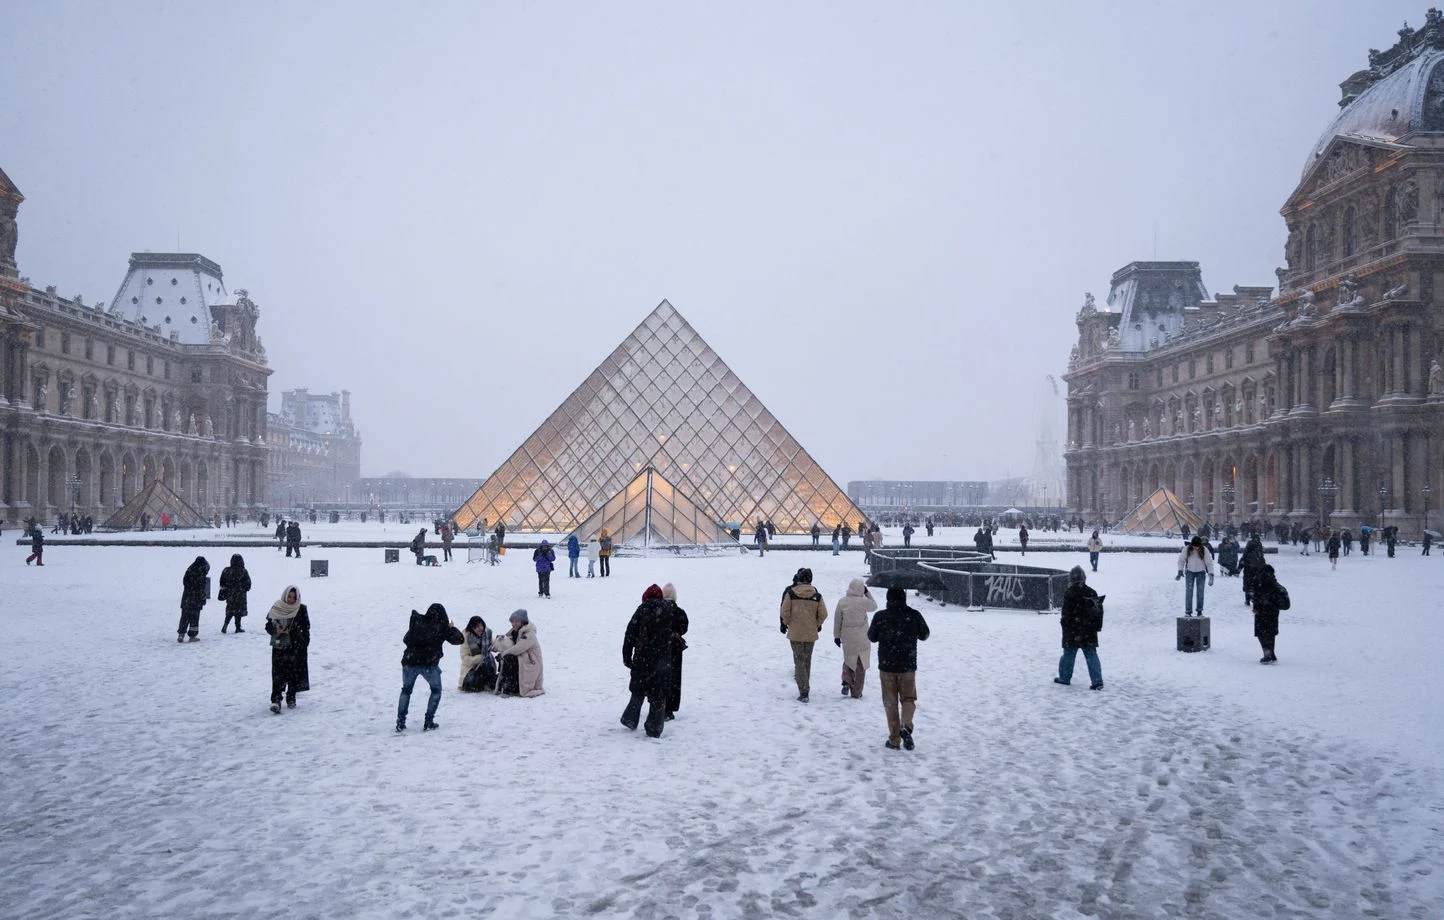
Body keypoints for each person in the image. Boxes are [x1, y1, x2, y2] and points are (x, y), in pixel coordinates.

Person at [868, 586, 930, 750]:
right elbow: (925, 634)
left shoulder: (881, 616)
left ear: (888, 599)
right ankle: (906, 725)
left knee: (890, 703)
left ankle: (894, 740)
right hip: (908, 666)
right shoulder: (913, 615)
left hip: (887, 666)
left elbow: (871, 637)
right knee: (908, 699)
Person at [396, 602, 464, 731]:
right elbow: (459, 639)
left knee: (406, 691)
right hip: (429, 664)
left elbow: (406, 639)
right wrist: (450, 627)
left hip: (409, 662)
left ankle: (400, 722)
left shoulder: (418, 623)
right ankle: (428, 721)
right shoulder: (442, 627)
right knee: (436, 690)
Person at [620, 585, 674, 738]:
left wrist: (626, 657)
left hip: (642, 658)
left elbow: (629, 634)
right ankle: (655, 727)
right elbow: (682, 625)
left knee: (638, 691)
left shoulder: (641, 610)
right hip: (663, 659)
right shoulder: (669, 610)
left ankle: (630, 718)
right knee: (658, 695)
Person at [779, 567, 828, 702]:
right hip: (810, 632)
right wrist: (815, 624)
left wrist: (790, 623)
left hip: (795, 632)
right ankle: (805, 683)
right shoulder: (817, 595)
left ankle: (804, 690)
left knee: (799, 660)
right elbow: (823, 614)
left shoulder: (790, 593)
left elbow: (784, 612)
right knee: (807, 659)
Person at [1054, 566, 1104, 690]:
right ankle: (1097, 681)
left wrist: (1065, 626)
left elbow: (1066, 614)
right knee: (1091, 654)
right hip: (1089, 630)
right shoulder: (1092, 592)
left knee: (1068, 655)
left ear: (1071, 578)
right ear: (1084, 578)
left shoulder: (1069, 593)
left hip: (1073, 630)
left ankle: (1065, 678)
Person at [264, 585, 311, 712]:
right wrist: (276, 630)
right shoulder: (277, 607)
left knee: (293, 673)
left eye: (294, 598)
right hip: (280, 645)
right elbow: (268, 625)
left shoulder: (301, 609)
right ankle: (276, 700)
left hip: (296, 646)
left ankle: (291, 697)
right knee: (278, 673)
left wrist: (304, 643)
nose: (291, 600)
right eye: (289, 597)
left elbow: (306, 627)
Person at [833, 578, 877, 699]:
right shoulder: (863, 602)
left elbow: (837, 620)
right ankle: (857, 691)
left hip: (847, 635)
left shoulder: (842, 602)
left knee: (849, 658)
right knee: (860, 662)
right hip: (862, 635)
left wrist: (836, 636)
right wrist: (867, 593)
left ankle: (846, 681)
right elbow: (874, 606)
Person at [494, 609, 544, 697]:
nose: (514, 624)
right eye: (513, 622)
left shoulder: (529, 634)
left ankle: (509, 688)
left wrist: (503, 655)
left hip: (531, 664)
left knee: (509, 657)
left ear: (523, 622)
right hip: (524, 660)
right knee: (507, 657)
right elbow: (508, 643)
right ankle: (505, 685)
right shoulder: (515, 631)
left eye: (517, 621)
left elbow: (518, 648)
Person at [661, 583, 688, 720]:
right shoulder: (679, 612)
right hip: (675, 648)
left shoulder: (658, 610)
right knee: (674, 678)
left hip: (660, 648)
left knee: (661, 677)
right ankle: (670, 708)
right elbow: (684, 628)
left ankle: (659, 705)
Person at [1251, 563, 1289, 664]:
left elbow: (1256, 597)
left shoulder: (1259, 583)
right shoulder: (1275, 585)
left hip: (1261, 612)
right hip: (1273, 612)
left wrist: (1256, 607)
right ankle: (1271, 653)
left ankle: (1267, 654)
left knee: (1262, 633)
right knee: (1270, 633)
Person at [1176, 535, 1214, 617]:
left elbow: (1209, 563)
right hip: (1189, 572)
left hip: (1201, 572)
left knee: (1200, 592)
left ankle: (1199, 611)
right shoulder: (1186, 549)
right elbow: (1181, 560)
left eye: (1197, 547)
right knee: (1189, 592)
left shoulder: (1204, 550)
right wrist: (1180, 571)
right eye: (1194, 546)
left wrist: (1211, 575)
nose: (1196, 548)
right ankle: (1188, 611)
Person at [458, 615, 496, 692]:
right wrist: (478, 658)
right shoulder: (466, 637)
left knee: (486, 659)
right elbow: (464, 658)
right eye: (477, 626)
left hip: (486, 665)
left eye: (482, 626)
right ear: (472, 628)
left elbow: (495, 645)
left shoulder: (487, 634)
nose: (480, 628)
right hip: (471, 668)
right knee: (472, 683)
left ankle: (489, 682)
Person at [177, 556, 210, 642]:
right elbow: (202, 588)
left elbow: (185, 582)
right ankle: (192, 636)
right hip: (196, 599)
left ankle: (181, 634)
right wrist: (203, 598)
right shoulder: (201, 573)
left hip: (187, 597)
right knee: (194, 618)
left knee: (184, 617)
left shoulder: (189, 570)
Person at [218, 554, 251, 633]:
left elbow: (222, 582)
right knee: (238, 611)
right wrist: (244, 589)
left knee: (230, 609)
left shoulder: (226, 570)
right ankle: (238, 627)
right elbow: (248, 583)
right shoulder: (243, 571)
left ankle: (225, 624)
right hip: (240, 594)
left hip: (230, 594)